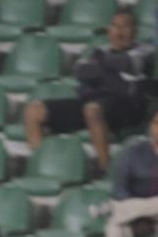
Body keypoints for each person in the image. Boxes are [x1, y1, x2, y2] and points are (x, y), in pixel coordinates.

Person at [24, 10, 151, 175]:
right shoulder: (99, 50)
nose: (119, 32)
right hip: (92, 102)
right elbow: (79, 71)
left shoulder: (144, 51)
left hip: (125, 107)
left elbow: (127, 64)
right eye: (115, 26)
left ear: (135, 30)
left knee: (92, 109)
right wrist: (110, 75)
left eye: (125, 27)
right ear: (109, 29)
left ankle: (104, 168)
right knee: (33, 110)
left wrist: (99, 68)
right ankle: (41, 164)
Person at [102, 111, 158, 237]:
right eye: (156, 123)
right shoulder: (133, 151)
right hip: (135, 210)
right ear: (151, 126)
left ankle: (114, 209)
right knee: (115, 229)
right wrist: (140, 215)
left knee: (117, 215)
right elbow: (119, 189)